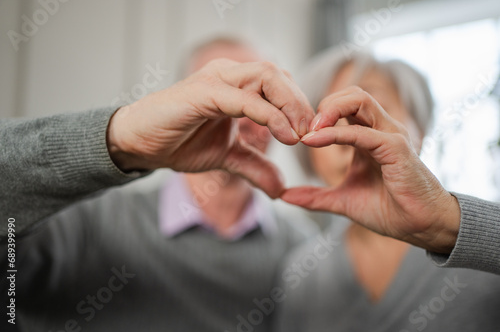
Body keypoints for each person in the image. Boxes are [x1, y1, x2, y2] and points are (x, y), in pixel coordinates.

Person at [0, 40, 315, 331]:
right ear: (185, 107)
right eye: (230, 97)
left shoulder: (301, 249)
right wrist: (120, 138)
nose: (245, 117)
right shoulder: (90, 223)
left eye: (263, 97)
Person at [275, 48, 500, 332]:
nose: (347, 135)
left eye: (370, 110)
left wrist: (453, 226)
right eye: (323, 118)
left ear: (420, 130)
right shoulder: (301, 275)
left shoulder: (486, 253)